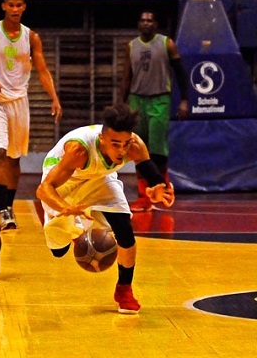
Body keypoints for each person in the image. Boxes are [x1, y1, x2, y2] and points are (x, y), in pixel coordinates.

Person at [36, 104, 175, 314]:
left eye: (125, 144)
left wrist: (157, 189)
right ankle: (75, 234)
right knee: (59, 250)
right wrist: (65, 208)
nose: (122, 151)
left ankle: (124, 290)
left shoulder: (135, 145)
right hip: (66, 181)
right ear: (102, 140)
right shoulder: (79, 150)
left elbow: (152, 174)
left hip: (99, 178)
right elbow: (43, 189)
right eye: (116, 144)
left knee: (125, 232)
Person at [0, 0, 62, 229]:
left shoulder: (32, 37)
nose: (15, 9)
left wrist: (54, 97)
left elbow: (42, 70)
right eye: (11, 4)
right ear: (3, 6)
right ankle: (3, 210)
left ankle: (7, 203)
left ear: (24, 7)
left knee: (13, 158)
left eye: (19, 5)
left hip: (19, 100)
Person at [119, 10, 189, 212]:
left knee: (157, 151)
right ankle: (144, 197)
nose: (146, 23)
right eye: (142, 20)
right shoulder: (131, 46)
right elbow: (126, 77)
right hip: (136, 100)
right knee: (136, 149)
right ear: (138, 24)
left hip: (159, 99)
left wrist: (184, 99)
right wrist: (121, 103)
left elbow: (181, 74)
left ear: (156, 24)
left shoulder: (167, 43)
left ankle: (164, 190)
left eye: (150, 20)